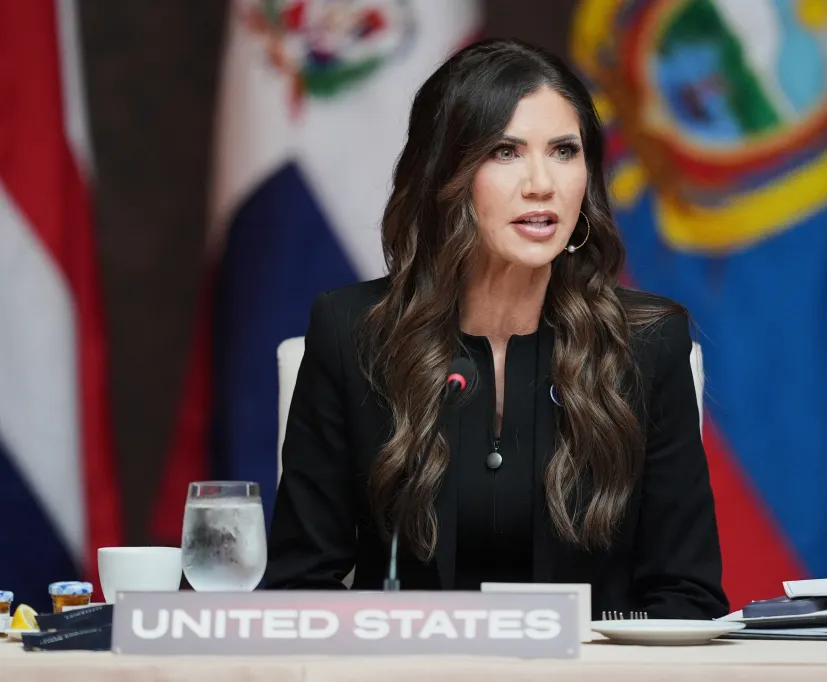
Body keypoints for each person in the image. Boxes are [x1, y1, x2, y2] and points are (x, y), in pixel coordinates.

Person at [265, 38, 729, 620]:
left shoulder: (646, 343)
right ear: (446, 174)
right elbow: (297, 586)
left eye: (564, 151)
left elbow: (686, 596)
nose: (542, 183)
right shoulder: (354, 333)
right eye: (505, 152)